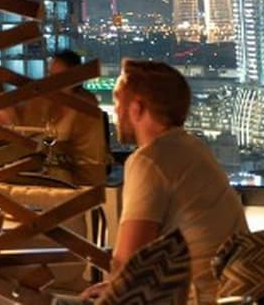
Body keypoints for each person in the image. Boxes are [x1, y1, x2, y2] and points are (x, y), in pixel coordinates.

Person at [80, 60, 243, 304]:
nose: (115, 112)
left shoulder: (149, 161)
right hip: (227, 294)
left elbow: (127, 263)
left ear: (136, 108)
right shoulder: (193, 147)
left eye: (117, 102)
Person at [25, 50, 109, 186]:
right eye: (50, 75)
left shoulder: (87, 110)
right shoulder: (42, 103)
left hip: (79, 184)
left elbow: (91, 161)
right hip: (43, 180)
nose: (52, 82)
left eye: (59, 77)